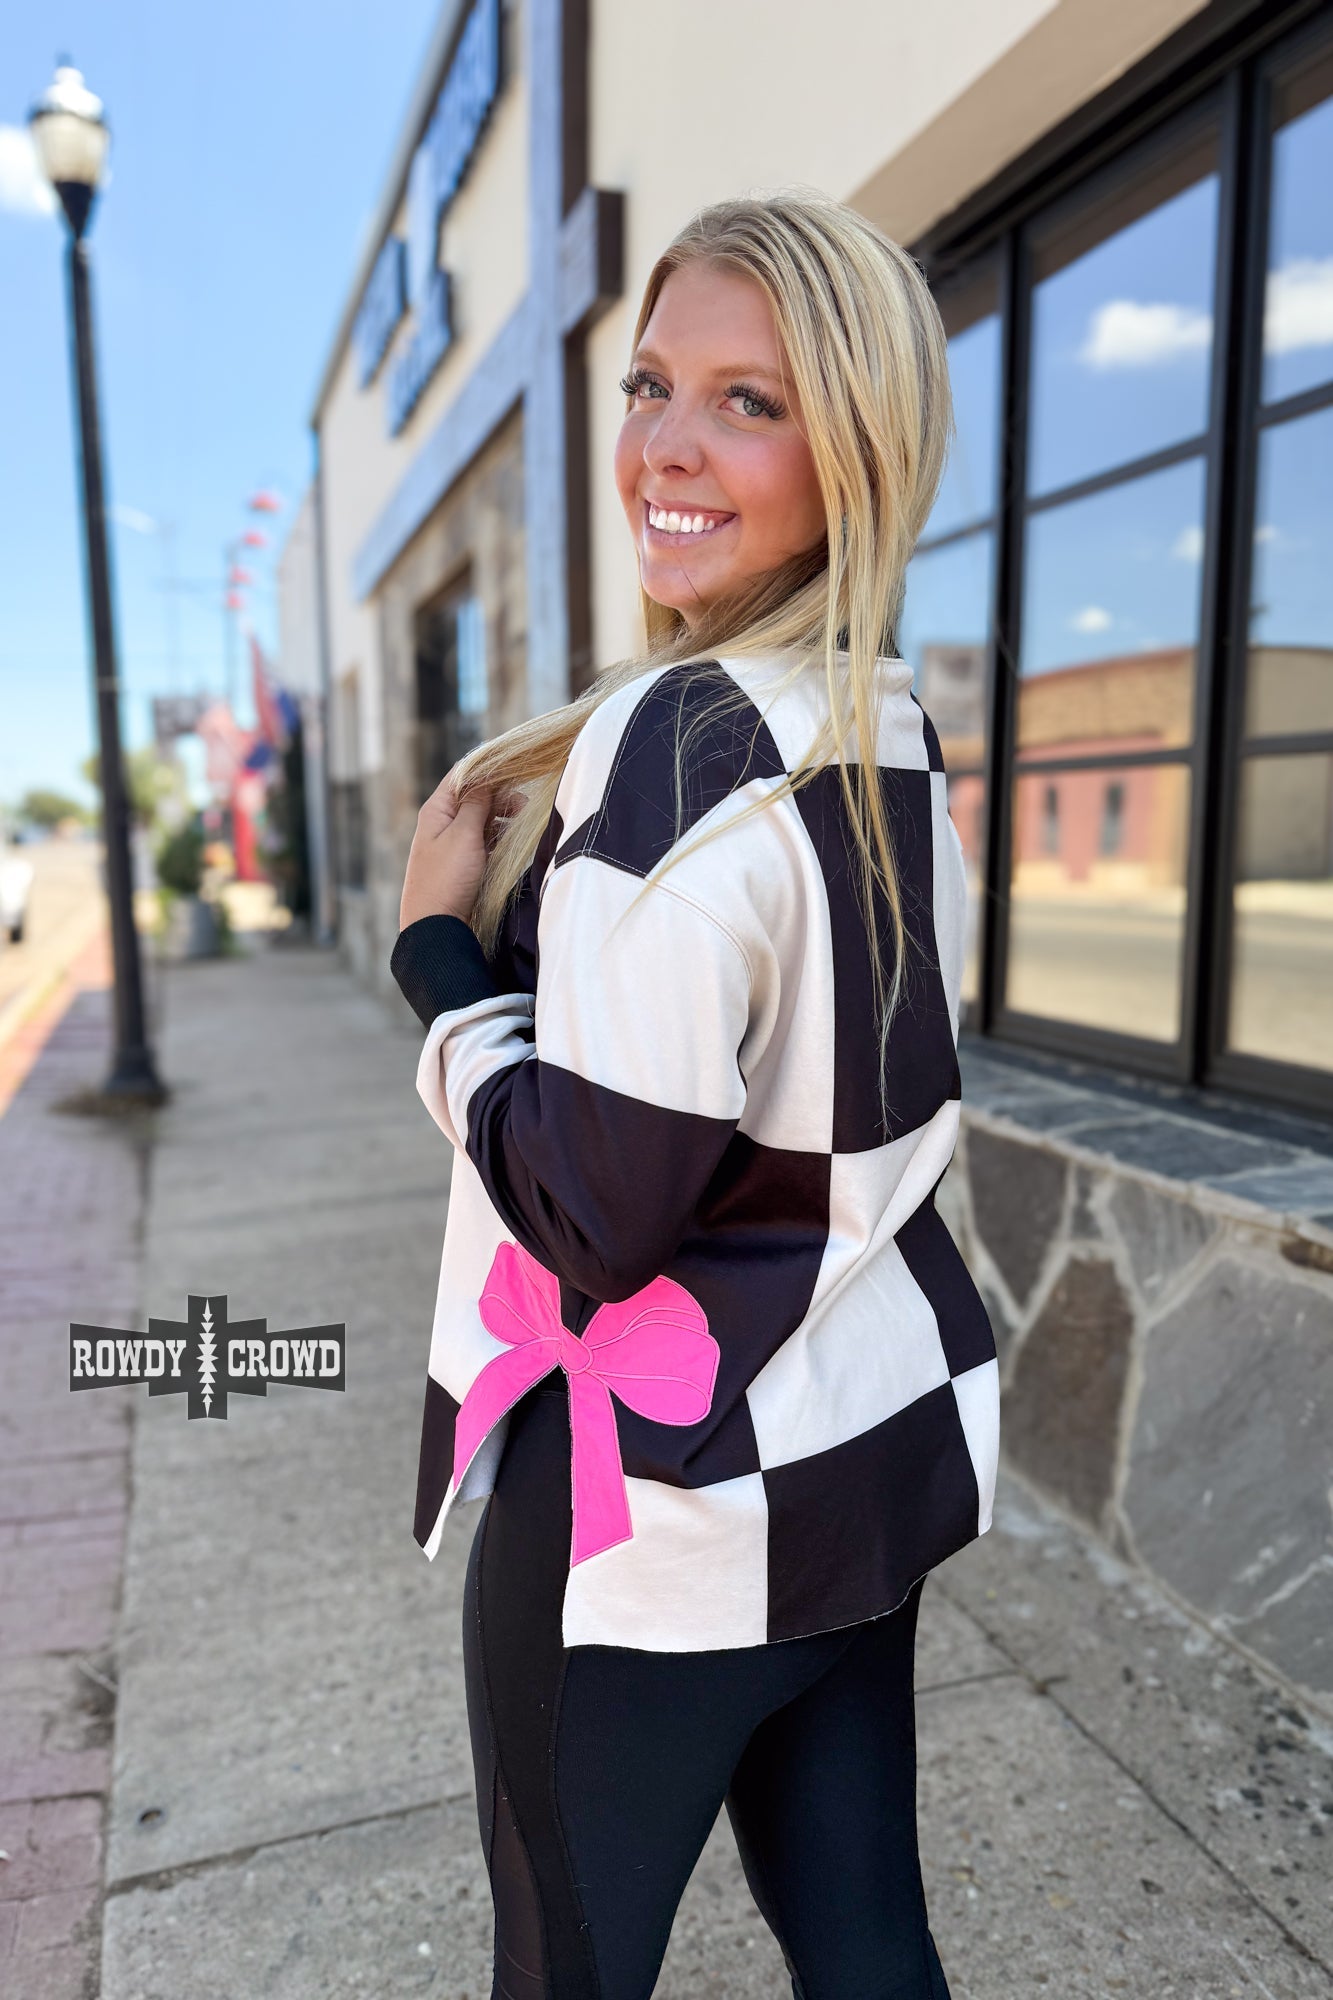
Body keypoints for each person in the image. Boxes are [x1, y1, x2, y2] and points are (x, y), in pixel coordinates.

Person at [390, 188, 999, 2000]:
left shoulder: (675, 744)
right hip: (854, 1458)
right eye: (650, 382)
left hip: (650, 1504)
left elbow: (597, 1210)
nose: (663, 443)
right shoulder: (885, 726)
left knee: (561, 1965)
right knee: (867, 1940)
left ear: (856, 447)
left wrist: (436, 964)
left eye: (750, 401)